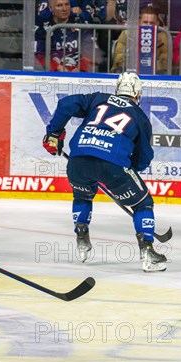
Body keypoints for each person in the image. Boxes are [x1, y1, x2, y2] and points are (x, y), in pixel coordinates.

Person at [42, 72, 167, 272]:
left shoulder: (99, 98)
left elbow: (65, 104)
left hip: (78, 160)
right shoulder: (140, 117)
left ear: (117, 90)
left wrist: (54, 133)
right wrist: (125, 170)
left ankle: (82, 237)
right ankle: (148, 252)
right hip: (113, 165)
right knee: (143, 203)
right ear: (138, 94)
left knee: (82, 196)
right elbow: (143, 157)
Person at [35, 0, 100, 72]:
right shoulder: (42, 29)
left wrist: (80, 68)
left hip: (80, 73)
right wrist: (57, 66)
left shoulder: (82, 24)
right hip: (53, 73)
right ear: (51, 8)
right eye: (59, 5)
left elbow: (92, 51)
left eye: (67, 4)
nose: (64, 9)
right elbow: (38, 55)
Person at [110, 6, 168, 74]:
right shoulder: (126, 34)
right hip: (128, 69)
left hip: (155, 70)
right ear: (139, 21)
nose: (148, 25)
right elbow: (119, 56)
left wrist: (149, 66)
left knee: (163, 73)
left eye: (152, 23)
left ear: (157, 23)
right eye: (145, 22)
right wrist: (136, 65)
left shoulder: (163, 37)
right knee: (119, 71)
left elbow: (165, 58)